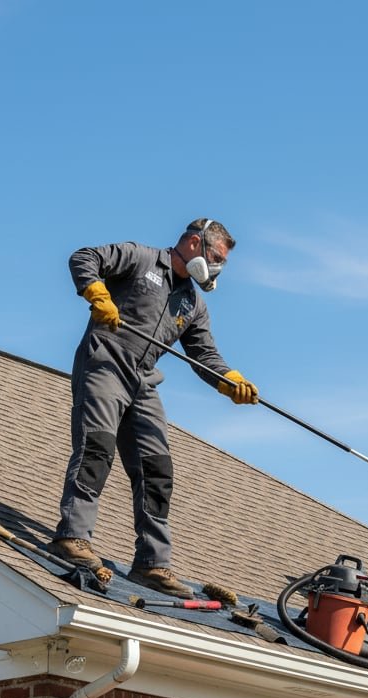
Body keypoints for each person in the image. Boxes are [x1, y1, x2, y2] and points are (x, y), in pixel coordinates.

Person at [50, 218, 258, 598]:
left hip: (143, 380)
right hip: (106, 362)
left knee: (156, 469)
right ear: (194, 244)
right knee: (97, 447)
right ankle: (72, 537)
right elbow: (85, 256)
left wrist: (230, 380)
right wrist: (96, 291)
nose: (216, 268)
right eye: (216, 257)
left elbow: (203, 353)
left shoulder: (193, 302)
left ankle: (152, 563)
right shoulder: (141, 259)